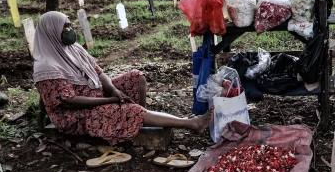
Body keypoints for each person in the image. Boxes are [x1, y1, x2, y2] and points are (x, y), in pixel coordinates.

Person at [34, 11, 213, 146]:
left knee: (136, 78)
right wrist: (109, 100)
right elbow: (68, 102)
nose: (70, 30)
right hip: (74, 116)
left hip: (96, 94)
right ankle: (192, 124)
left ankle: (137, 121)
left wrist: (114, 90)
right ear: (51, 31)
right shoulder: (46, 66)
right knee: (127, 109)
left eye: (70, 25)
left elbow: (98, 72)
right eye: (65, 27)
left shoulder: (74, 49)